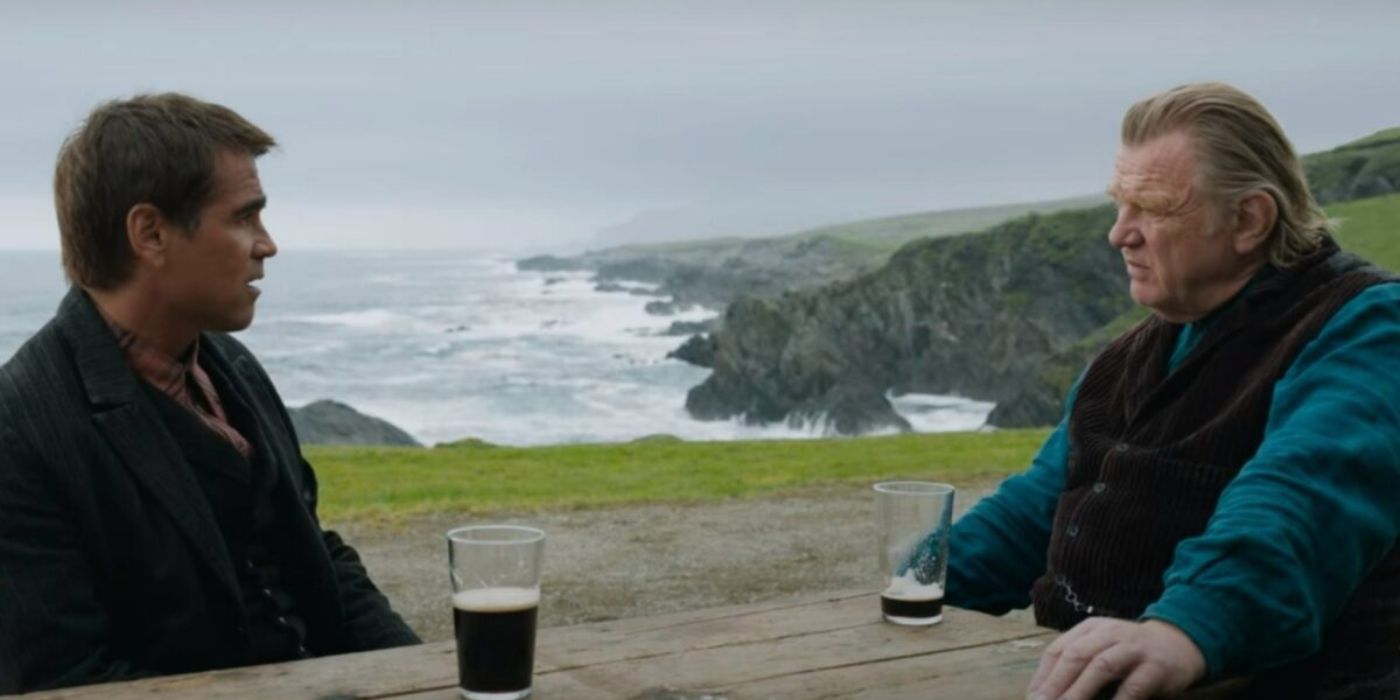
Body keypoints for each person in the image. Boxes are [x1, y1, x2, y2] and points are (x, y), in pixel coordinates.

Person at [944, 82, 1400, 699]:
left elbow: (1304, 496)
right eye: (1119, 204)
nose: (1119, 234)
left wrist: (1187, 628)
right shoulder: (1133, 353)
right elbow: (1039, 506)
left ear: (1247, 219)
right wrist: (920, 575)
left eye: (1151, 207)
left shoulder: (1367, 329)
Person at [0, 94, 420, 694]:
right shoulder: (20, 431)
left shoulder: (232, 366)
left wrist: (418, 676)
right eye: (245, 216)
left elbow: (316, 558)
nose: (267, 244)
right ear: (150, 233)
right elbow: (66, 682)